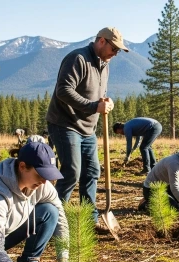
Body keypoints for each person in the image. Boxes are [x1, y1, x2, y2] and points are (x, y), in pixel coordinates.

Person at [46, 27, 128, 225]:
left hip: (88, 128)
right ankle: (54, 218)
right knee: (71, 172)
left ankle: (89, 219)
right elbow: (63, 91)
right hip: (65, 123)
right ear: (101, 41)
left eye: (118, 50)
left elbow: (98, 92)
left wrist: (105, 102)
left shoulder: (104, 64)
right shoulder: (78, 58)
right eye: (114, 48)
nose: (115, 54)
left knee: (91, 172)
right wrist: (94, 106)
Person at [139, 137, 179, 215]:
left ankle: (170, 199)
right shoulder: (174, 164)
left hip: (166, 186)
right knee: (174, 209)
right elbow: (174, 187)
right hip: (152, 189)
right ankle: (146, 203)